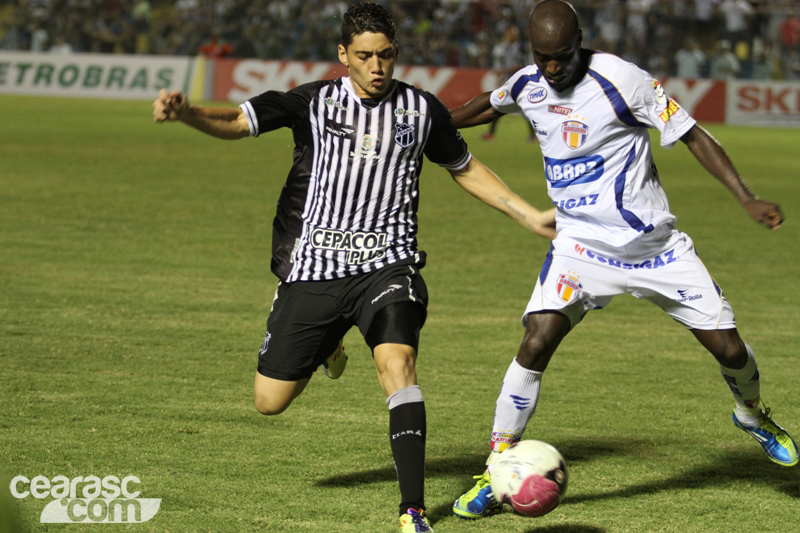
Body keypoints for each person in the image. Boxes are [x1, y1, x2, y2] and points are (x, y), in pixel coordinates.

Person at [152, 3, 555, 532]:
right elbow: (236, 120)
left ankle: (412, 513)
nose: (377, 65)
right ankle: (330, 342)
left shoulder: (421, 110)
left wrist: (528, 216)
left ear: (396, 54)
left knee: (398, 364)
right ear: (344, 56)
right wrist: (188, 113)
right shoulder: (312, 102)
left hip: (387, 266)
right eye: (364, 56)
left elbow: (465, 167)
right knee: (269, 402)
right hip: (315, 268)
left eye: (385, 55)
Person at [449, 0, 799, 520]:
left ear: (579, 42)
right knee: (536, 340)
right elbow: (485, 105)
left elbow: (694, 135)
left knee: (730, 350)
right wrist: (427, 130)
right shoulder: (529, 83)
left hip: (653, 249)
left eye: (561, 56)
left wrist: (745, 197)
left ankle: (750, 414)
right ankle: (497, 466)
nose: (552, 67)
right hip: (580, 245)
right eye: (542, 57)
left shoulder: (623, 81)